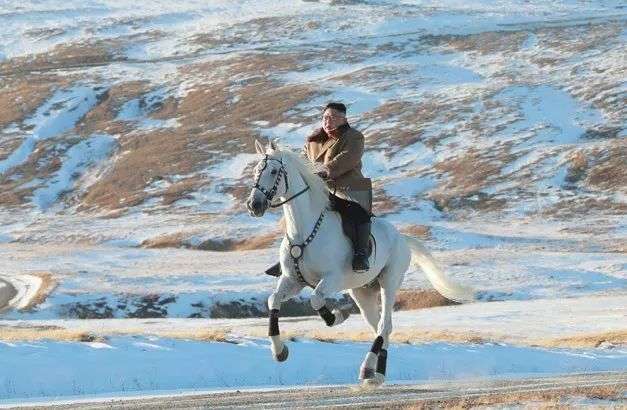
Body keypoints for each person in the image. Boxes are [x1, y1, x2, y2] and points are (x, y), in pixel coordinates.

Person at [265, 102, 372, 277]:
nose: (328, 121)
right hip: (319, 190)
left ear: (343, 119)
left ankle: (360, 255)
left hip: (346, 189)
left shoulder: (354, 137)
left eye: (333, 117)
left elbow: (347, 158)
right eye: (325, 117)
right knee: (295, 216)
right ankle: (290, 257)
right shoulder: (313, 140)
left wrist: (325, 170)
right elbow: (302, 161)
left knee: (357, 215)